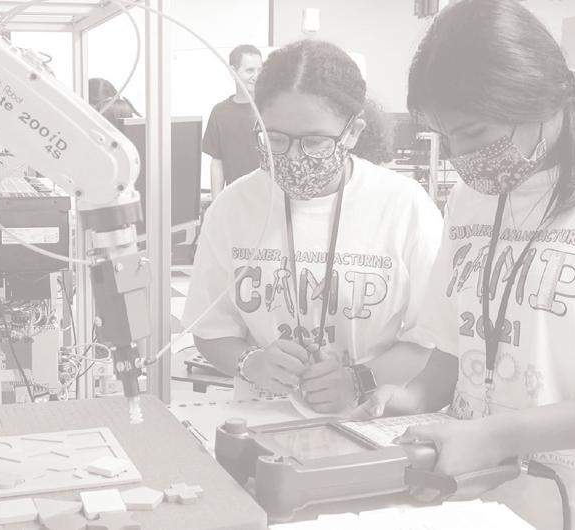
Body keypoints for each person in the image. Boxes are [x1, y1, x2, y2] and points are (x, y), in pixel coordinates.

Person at [356, 1, 575, 528]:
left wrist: (495, 435)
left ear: (540, 97)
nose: (460, 156)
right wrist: (412, 397)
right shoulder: (473, 196)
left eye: (474, 132)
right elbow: (456, 348)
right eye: (445, 136)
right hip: (481, 503)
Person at [183, 39, 443, 414]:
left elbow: (429, 342)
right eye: (275, 138)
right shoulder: (233, 207)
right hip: (261, 417)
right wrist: (252, 363)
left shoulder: (404, 206)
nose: (292, 156)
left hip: (367, 419)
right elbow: (210, 330)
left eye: (315, 142)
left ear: (353, 132)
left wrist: (359, 380)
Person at [203, 45, 264, 199]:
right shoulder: (220, 112)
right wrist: (216, 204)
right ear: (233, 72)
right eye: (250, 70)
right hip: (236, 200)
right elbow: (217, 162)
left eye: (260, 70)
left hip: (268, 199)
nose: (256, 76)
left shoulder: (271, 109)